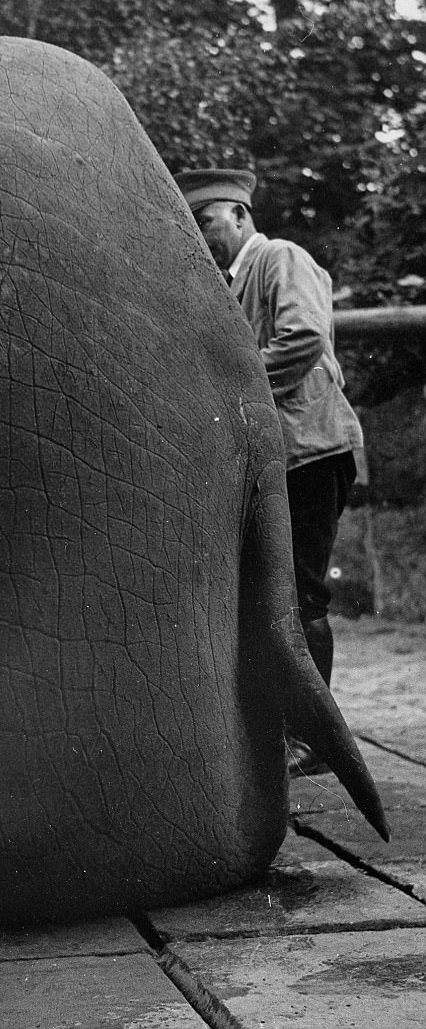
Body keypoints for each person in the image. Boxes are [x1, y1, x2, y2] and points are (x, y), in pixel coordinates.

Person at [174, 168, 363, 777]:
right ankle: (288, 731)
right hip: (280, 455)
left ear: (238, 214)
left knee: (303, 593)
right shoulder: (229, 284)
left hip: (313, 448)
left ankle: (315, 740)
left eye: (208, 223)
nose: (205, 239)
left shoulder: (281, 256)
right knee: (273, 597)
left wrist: (238, 385)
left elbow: (305, 336)